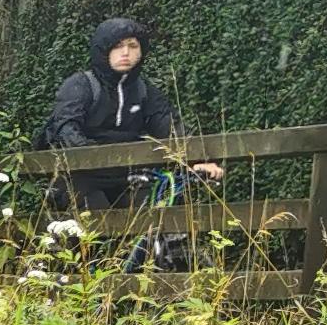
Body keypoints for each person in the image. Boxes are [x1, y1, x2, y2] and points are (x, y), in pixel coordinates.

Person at [41, 18, 225, 211]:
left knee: (154, 217)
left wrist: (200, 160)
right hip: (82, 176)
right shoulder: (81, 85)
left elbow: (171, 127)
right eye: (118, 46)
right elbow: (65, 128)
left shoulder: (144, 91)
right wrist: (98, 159)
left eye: (133, 46)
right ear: (104, 50)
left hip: (129, 176)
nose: (126, 52)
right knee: (98, 226)